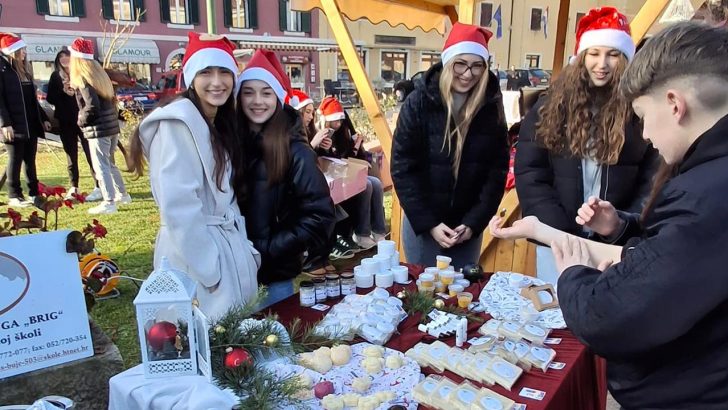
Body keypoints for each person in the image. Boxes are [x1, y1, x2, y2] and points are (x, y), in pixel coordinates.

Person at [497, 22, 728, 409]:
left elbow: (608, 315)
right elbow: (673, 248)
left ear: (674, 105)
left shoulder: (704, 193)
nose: (647, 134)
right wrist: (620, 226)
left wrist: (572, 276)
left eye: (642, 116)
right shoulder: (706, 180)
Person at [514, 7, 658, 284]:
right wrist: (557, 230)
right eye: (594, 53)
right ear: (581, 57)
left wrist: (620, 225)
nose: (602, 63)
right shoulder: (550, 106)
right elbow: (531, 171)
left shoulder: (638, 111)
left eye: (612, 54)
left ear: (625, 59)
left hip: (614, 242)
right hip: (558, 239)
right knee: (557, 312)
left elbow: (651, 178)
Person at [128, 32, 259, 318]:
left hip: (222, 248)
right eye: (206, 73)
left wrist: (244, 251)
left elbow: (226, 195)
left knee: (234, 344)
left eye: (224, 72)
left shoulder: (217, 123)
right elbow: (178, 204)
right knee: (207, 340)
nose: (217, 82)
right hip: (196, 258)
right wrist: (209, 266)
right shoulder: (178, 125)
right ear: (191, 77)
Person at [391, 22, 509, 269]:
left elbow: (496, 172)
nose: (468, 74)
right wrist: (430, 223)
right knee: (423, 297)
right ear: (448, 62)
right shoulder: (418, 102)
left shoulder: (490, 107)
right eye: (461, 64)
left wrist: (475, 222)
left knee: (463, 296)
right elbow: (403, 168)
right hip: (425, 226)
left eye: (477, 66)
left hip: (465, 229)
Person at [237, 50, 335, 308]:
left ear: (279, 99)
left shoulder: (295, 150)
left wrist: (270, 248)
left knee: (271, 343)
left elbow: (320, 214)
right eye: (248, 92)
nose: (257, 101)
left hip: (273, 275)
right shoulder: (232, 143)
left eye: (266, 93)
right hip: (234, 274)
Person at [68, 38, 130, 215]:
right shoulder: (100, 75)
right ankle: (122, 194)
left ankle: (109, 201)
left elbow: (92, 105)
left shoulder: (83, 78)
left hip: (99, 129)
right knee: (110, 163)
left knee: (101, 165)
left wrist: (81, 120)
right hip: (110, 127)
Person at [318, 96, 387, 250]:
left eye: (340, 121)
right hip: (333, 176)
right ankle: (361, 233)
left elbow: (349, 157)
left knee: (375, 182)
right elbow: (326, 159)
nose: (338, 124)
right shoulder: (320, 133)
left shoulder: (343, 131)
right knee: (367, 184)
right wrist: (327, 149)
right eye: (335, 121)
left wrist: (356, 146)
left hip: (346, 170)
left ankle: (378, 231)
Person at [0, 33, 50, 208]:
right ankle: (14, 194)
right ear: (13, 51)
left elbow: (32, 101)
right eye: (21, 50)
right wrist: (4, 123)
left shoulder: (25, 71)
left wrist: (43, 118)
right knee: (15, 159)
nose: (24, 53)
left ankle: (34, 192)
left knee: (30, 159)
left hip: (30, 124)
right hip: (13, 125)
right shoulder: (3, 70)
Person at [46, 48, 100, 201]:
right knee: (71, 154)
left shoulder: (80, 74)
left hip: (83, 119)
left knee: (90, 152)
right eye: (61, 58)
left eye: (66, 57)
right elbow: (50, 98)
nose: (64, 60)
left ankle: (98, 184)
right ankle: (74, 185)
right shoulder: (56, 76)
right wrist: (63, 92)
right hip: (66, 121)